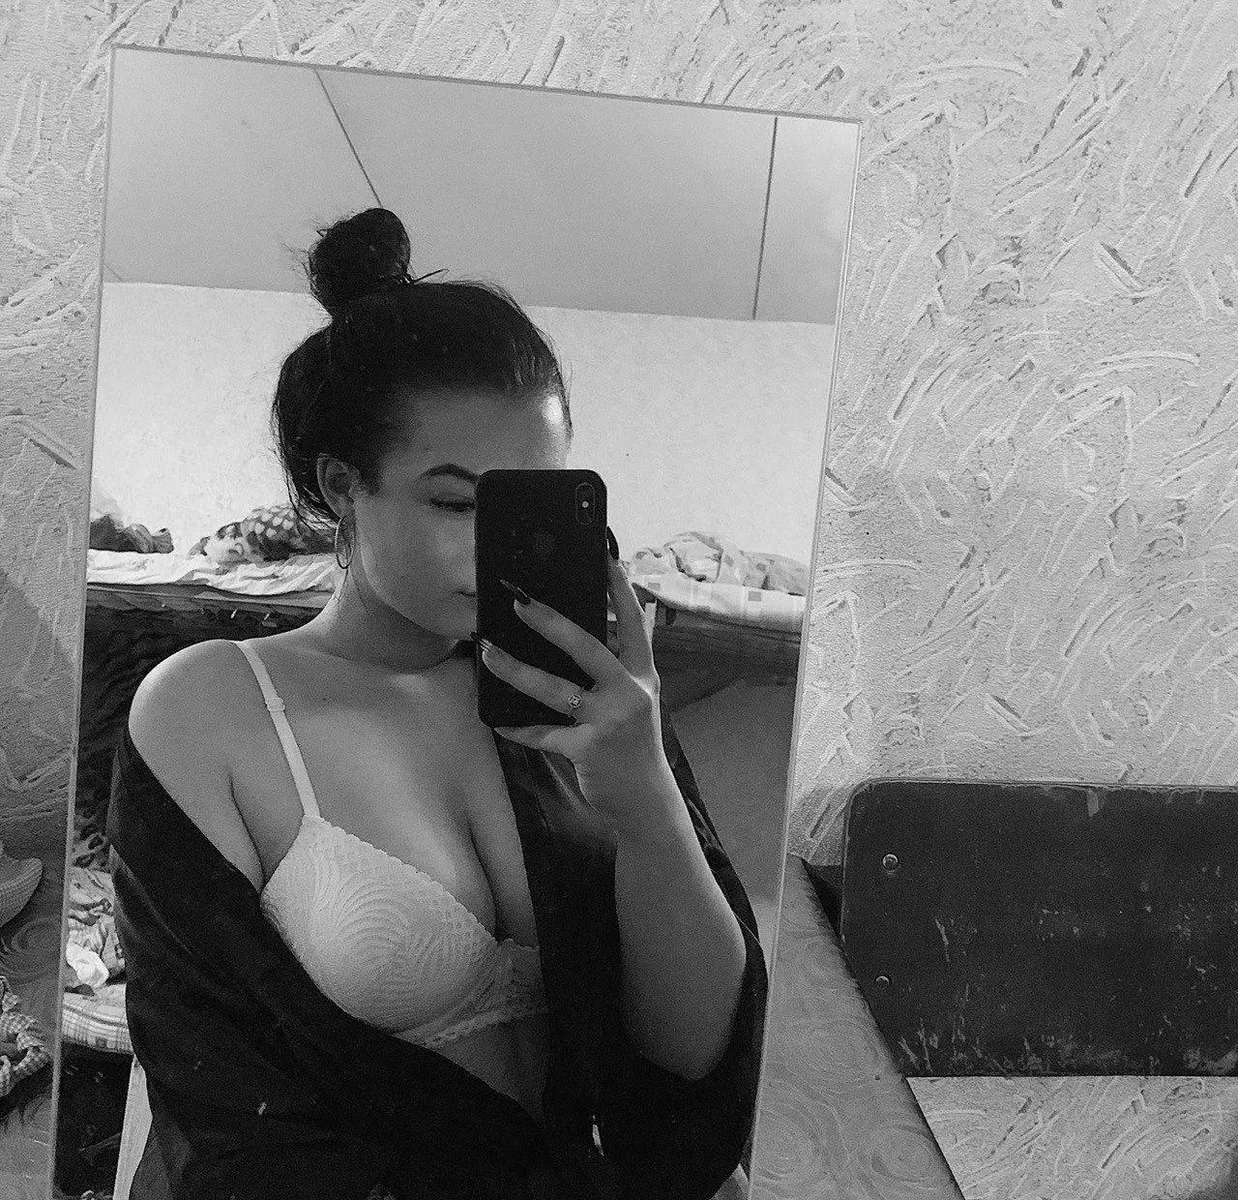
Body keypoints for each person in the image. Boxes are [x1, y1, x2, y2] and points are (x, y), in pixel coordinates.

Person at [109, 208, 767, 1200]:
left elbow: (694, 1069)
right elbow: (225, 1107)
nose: (491, 546)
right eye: (457, 504)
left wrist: (648, 803)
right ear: (343, 486)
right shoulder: (211, 709)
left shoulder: (583, 694)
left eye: (529, 504)